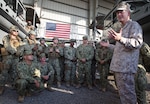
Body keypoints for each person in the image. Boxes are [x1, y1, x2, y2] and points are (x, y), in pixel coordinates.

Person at [100, 2, 143, 104]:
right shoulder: (122, 28)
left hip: (126, 68)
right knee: (124, 95)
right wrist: (108, 45)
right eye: (117, 13)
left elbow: (137, 43)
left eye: (121, 12)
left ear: (128, 13)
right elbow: (120, 49)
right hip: (119, 68)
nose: (119, 14)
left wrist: (120, 39)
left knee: (128, 96)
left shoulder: (134, 25)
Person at [0, 25, 23, 93]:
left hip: (15, 59)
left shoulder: (19, 39)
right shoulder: (6, 37)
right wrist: (15, 52)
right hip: (7, 58)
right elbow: (7, 46)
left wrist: (20, 53)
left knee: (15, 72)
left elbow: (21, 47)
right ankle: (1, 87)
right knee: (4, 73)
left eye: (17, 31)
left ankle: (14, 85)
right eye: (14, 30)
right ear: (10, 30)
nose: (15, 32)